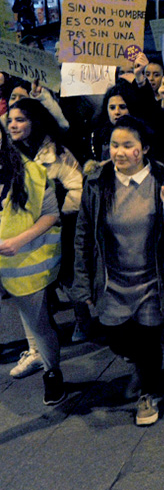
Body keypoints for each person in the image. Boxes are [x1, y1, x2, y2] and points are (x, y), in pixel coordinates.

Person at [72, 116, 164, 425]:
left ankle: (147, 393)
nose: (119, 152)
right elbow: (83, 236)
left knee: (149, 339)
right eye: (114, 145)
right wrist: (82, 285)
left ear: (144, 149)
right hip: (112, 280)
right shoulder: (96, 184)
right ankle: (140, 368)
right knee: (116, 336)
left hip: (153, 279)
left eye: (127, 145)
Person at [0, 121, 64, 405]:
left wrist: (19, 241)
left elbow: (51, 214)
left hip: (23, 263)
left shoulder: (30, 172)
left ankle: (52, 373)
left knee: (38, 325)